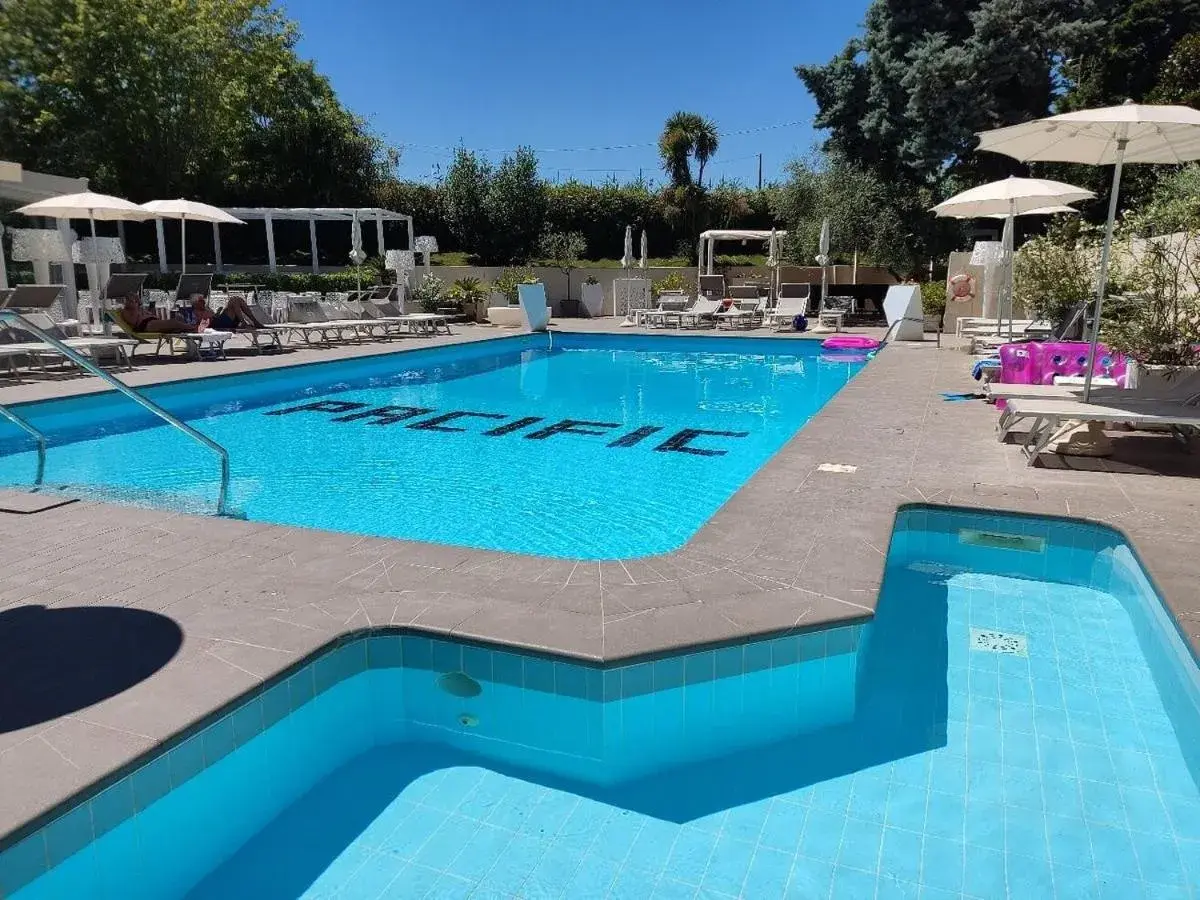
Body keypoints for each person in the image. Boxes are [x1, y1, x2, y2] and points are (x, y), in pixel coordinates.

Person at [191, 294, 264, 331]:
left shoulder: (206, 308)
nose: (204, 302)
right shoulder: (195, 312)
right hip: (218, 325)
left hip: (222, 321)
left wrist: (217, 313)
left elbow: (214, 316)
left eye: (203, 300)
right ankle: (245, 322)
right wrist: (210, 318)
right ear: (195, 304)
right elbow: (201, 325)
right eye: (201, 301)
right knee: (234, 300)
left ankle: (253, 322)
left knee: (237, 299)